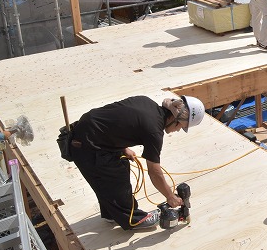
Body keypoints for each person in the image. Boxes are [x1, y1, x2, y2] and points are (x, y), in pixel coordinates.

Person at [69, 95, 205, 230]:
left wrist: (123, 147)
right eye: (180, 126)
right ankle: (133, 220)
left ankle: (111, 214)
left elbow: (116, 120)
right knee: (115, 176)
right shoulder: (154, 132)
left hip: (87, 130)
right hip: (86, 146)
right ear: (175, 119)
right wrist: (170, 196)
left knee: (118, 169)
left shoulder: (146, 102)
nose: (178, 130)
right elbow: (154, 172)